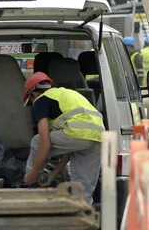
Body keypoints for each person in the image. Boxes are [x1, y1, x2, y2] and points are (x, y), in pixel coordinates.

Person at [22, 71, 104, 205]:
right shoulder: (66, 95)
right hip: (98, 135)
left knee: (37, 141)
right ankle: (82, 218)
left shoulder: (40, 100)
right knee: (82, 186)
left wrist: (34, 173)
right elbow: (68, 151)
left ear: (33, 94)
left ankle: (29, 186)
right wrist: (53, 174)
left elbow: (45, 143)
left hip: (77, 134)